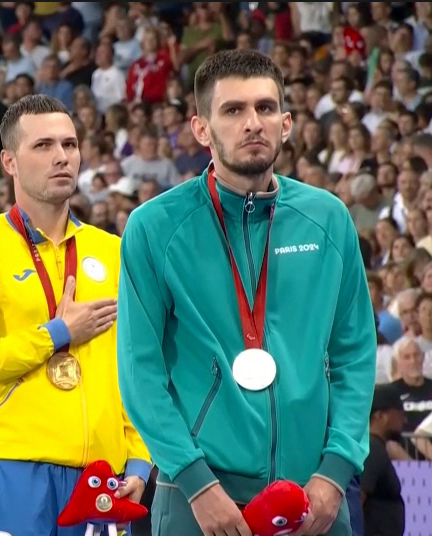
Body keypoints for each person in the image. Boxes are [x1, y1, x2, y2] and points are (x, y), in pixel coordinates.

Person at [117, 49, 376, 536]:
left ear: (287, 123)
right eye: (233, 110)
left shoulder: (327, 219)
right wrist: (196, 483)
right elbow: (140, 373)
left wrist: (335, 472)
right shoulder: (155, 227)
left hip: (315, 499)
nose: (252, 123)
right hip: (200, 502)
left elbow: (354, 355)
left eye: (265, 108)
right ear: (201, 128)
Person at [0, 94, 151, 535]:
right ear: (9, 161)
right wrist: (56, 333)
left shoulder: (112, 252)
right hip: (15, 469)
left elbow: (133, 367)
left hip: (102, 477)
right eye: (43, 146)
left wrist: (139, 458)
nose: (62, 157)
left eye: (70, 145)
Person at [360, 385, 405, 536]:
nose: (404, 420)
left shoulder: (374, 448)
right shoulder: (373, 449)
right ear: (380, 416)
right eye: (399, 413)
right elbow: (359, 496)